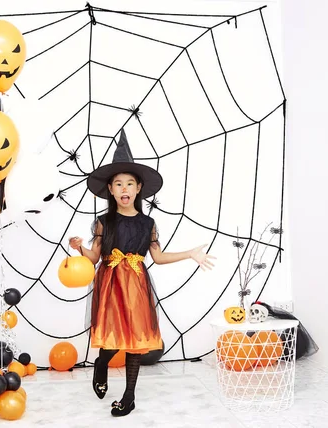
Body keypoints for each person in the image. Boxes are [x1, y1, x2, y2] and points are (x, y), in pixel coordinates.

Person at [69, 129, 215, 417]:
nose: (124, 189)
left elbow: (157, 258)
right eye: (118, 184)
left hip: (136, 283)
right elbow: (96, 257)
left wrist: (190, 254)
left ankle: (129, 396)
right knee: (112, 337)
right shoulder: (103, 223)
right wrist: (79, 249)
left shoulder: (148, 223)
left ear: (138, 189)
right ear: (110, 189)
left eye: (130, 184)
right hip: (110, 283)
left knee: (135, 339)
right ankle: (102, 364)